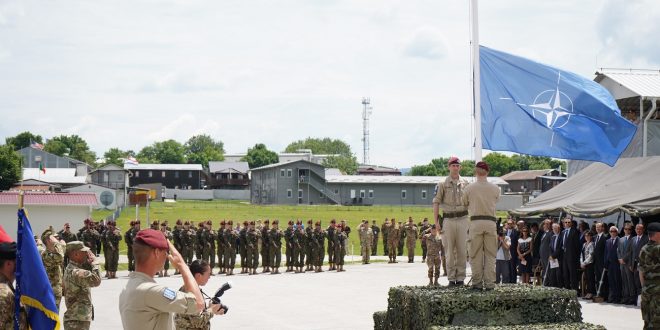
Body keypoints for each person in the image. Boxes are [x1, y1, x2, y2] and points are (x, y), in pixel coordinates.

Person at [119, 229, 204, 330]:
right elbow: (198, 303)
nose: (167, 256)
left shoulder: (129, 286)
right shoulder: (151, 291)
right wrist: (182, 265)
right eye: (166, 252)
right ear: (156, 252)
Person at [462, 161, 500, 290]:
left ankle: (477, 283)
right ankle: (489, 284)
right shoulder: (496, 188)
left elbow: (464, 203)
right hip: (490, 222)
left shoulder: (468, 188)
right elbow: (496, 200)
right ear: (487, 172)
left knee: (475, 254)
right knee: (490, 255)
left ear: (475, 172)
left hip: (475, 222)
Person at [433, 156, 469, 287]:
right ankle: (451, 278)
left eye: (457, 165)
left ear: (460, 167)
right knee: (449, 251)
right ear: (449, 167)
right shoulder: (442, 184)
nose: (455, 168)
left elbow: (470, 202)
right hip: (448, 219)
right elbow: (436, 203)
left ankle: (460, 279)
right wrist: (436, 222)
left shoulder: (466, 183)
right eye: (453, 165)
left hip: (463, 218)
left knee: (462, 250)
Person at [174, 260, 225, 330]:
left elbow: (195, 312)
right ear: (198, 275)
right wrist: (212, 310)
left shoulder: (191, 288)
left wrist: (210, 308)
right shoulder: (190, 292)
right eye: (208, 274)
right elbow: (197, 321)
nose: (209, 277)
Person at [63, 241, 102, 330]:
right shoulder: (75, 272)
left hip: (77, 319)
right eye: (84, 252)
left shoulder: (72, 268)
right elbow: (96, 280)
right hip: (77, 321)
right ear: (76, 254)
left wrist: (89, 263)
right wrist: (95, 263)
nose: (87, 254)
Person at [0, 225, 28, 329]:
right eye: (18, 262)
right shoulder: (3, 293)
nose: (21, 266)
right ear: (8, 264)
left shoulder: (7, 288)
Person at [638, 222, 660, 329]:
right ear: (657, 234)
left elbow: (641, 272)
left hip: (646, 290)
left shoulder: (643, 249)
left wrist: (644, 288)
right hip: (658, 291)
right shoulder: (658, 248)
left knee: (647, 322)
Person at [40, 228, 65, 310]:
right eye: (54, 237)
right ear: (48, 240)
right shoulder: (46, 255)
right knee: (52, 316)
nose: (57, 239)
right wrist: (59, 244)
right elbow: (59, 257)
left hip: (56, 289)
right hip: (51, 291)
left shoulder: (54, 252)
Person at [560, 216, 581, 293]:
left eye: (569, 222)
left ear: (571, 223)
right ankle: (567, 289)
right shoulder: (562, 232)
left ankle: (574, 290)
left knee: (572, 274)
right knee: (565, 273)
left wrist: (576, 257)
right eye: (566, 222)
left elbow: (577, 246)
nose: (567, 224)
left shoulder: (574, 232)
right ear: (564, 223)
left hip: (572, 256)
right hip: (564, 256)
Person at [618, 222, 636, 305]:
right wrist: (619, 258)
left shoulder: (633, 239)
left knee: (630, 281)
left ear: (631, 230)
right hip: (621, 263)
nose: (627, 230)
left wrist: (624, 259)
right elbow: (618, 250)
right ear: (623, 229)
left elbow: (631, 251)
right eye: (625, 229)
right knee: (624, 281)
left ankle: (632, 297)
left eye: (629, 229)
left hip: (628, 263)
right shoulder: (621, 239)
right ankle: (626, 297)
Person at [604, 226, 622, 304]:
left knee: (617, 281)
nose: (613, 232)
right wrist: (605, 264)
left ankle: (618, 298)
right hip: (610, 264)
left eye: (614, 231)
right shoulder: (607, 241)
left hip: (617, 264)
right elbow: (605, 253)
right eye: (611, 231)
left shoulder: (620, 240)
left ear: (617, 232)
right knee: (611, 281)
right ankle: (613, 297)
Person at [632, 223, 649, 302]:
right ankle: (639, 298)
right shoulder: (633, 239)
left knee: (643, 281)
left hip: (643, 264)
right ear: (635, 230)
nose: (638, 230)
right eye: (637, 228)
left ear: (643, 230)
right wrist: (630, 264)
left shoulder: (647, 239)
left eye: (640, 229)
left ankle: (644, 299)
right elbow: (631, 252)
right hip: (634, 264)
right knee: (636, 281)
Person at [580, 231, 595, 299]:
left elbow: (591, 255)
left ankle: (591, 292)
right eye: (585, 236)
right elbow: (581, 254)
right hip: (584, 264)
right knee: (587, 279)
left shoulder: (592, 244)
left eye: (588, 236)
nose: (587, 237)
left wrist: (584, 263)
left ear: (591, 237)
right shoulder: (584, 244)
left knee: (590, 278)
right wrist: (581, 262)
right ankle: (588, 292)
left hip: (589, 264)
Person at [505, 218, 520, 283]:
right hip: (505, 252)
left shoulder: (516, 232)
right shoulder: (504, 232)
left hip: (513, 252)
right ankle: (508, 281)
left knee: (513, 267)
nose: (509, 225)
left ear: (513, 224)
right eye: (508, 223)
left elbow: (517, 243)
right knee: (507, 268)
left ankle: (513, 281)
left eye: (511, 224)